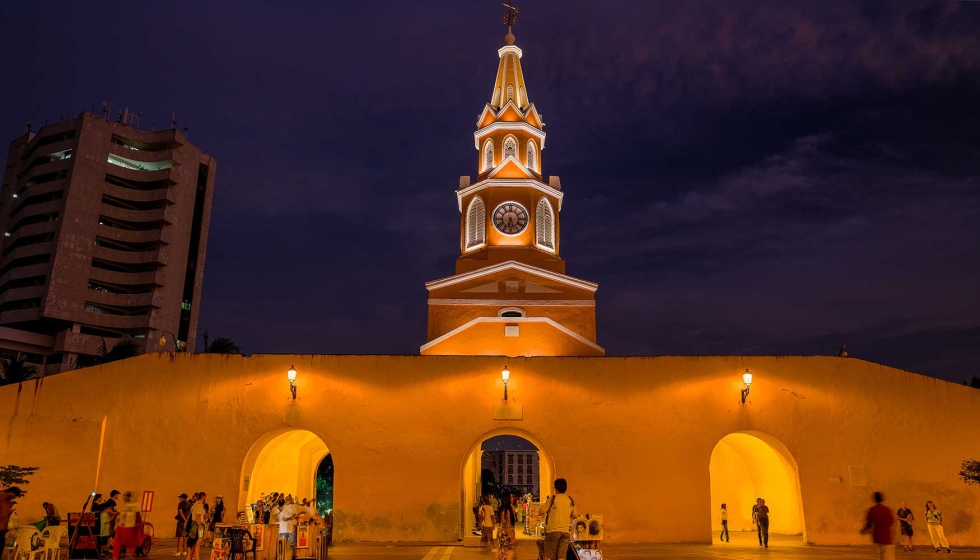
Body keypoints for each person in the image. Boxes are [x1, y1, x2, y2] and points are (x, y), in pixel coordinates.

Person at [536, 479, 576, 560]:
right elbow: (575, 515)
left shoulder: (552, 499)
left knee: (549, 557)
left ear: (556, 489)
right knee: (561, 557)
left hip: (552, 532)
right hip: (565, 532)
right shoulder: (570, 500)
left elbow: (541, 511)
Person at [861, 491, 895, 560]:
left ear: (874, 499)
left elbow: (869, 524)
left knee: (878, 556)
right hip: (887, 538)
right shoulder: (887, 509)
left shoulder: (872, 510)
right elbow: (891, 523)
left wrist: (863, 531)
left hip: (877, 538)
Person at [112, 492, 140, 560]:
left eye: (125, 496)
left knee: (127, 541)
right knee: (117, 542)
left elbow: (137, 515)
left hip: (129, 527)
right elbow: (121, 514)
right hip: (121, 527)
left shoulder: (134, 505)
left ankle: (130, 552)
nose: (123, 498)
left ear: (128, 497)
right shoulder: (124, 505)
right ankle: (115, 555)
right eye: (123, 496)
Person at [495, 492, 516, 560]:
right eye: (511, 497)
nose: (512, 499)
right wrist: (512, 537)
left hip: (501, 532)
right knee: (508, 554)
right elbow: (508, 524)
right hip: (506, 533)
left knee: (502, 553)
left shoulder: (501, 508)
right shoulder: (507, 511)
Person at [187, 492, 207, 560]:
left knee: (193, 542)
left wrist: (206, 515)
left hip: (194, 525)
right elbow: (198, 516)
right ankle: (196, 557)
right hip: (197, 525)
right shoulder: (199, 505)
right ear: (203, 497)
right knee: (198, 542)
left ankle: (192, 557)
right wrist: (200, 527)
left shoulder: (195, 505)